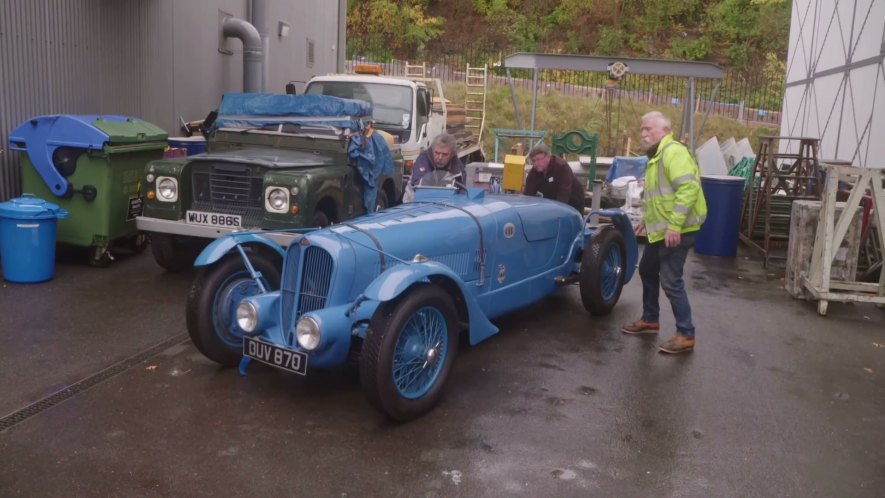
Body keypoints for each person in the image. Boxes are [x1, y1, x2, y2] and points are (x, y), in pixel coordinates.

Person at [621, 111, 707, 354]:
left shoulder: (673, 153)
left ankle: (686, 334)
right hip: (663, 229)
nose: (643, 133)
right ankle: (650, 319)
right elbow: (660, 196)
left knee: (671, 281)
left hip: (678, 229)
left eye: (648, 129)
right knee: (648, 269)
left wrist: (674, 225)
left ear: (665, 130)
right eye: (642, 129)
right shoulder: (657, 155)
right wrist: (649, 220)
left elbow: (688, 189)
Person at [522, 143, 586, 213]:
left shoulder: (561, 167)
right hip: (551, 201)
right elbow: (528, 194)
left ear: (548, 157)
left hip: (573, 201)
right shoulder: (534, 172)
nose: (536, 164)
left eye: (538, 159)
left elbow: (564, 193)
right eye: (533, 161)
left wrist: (556, 211)